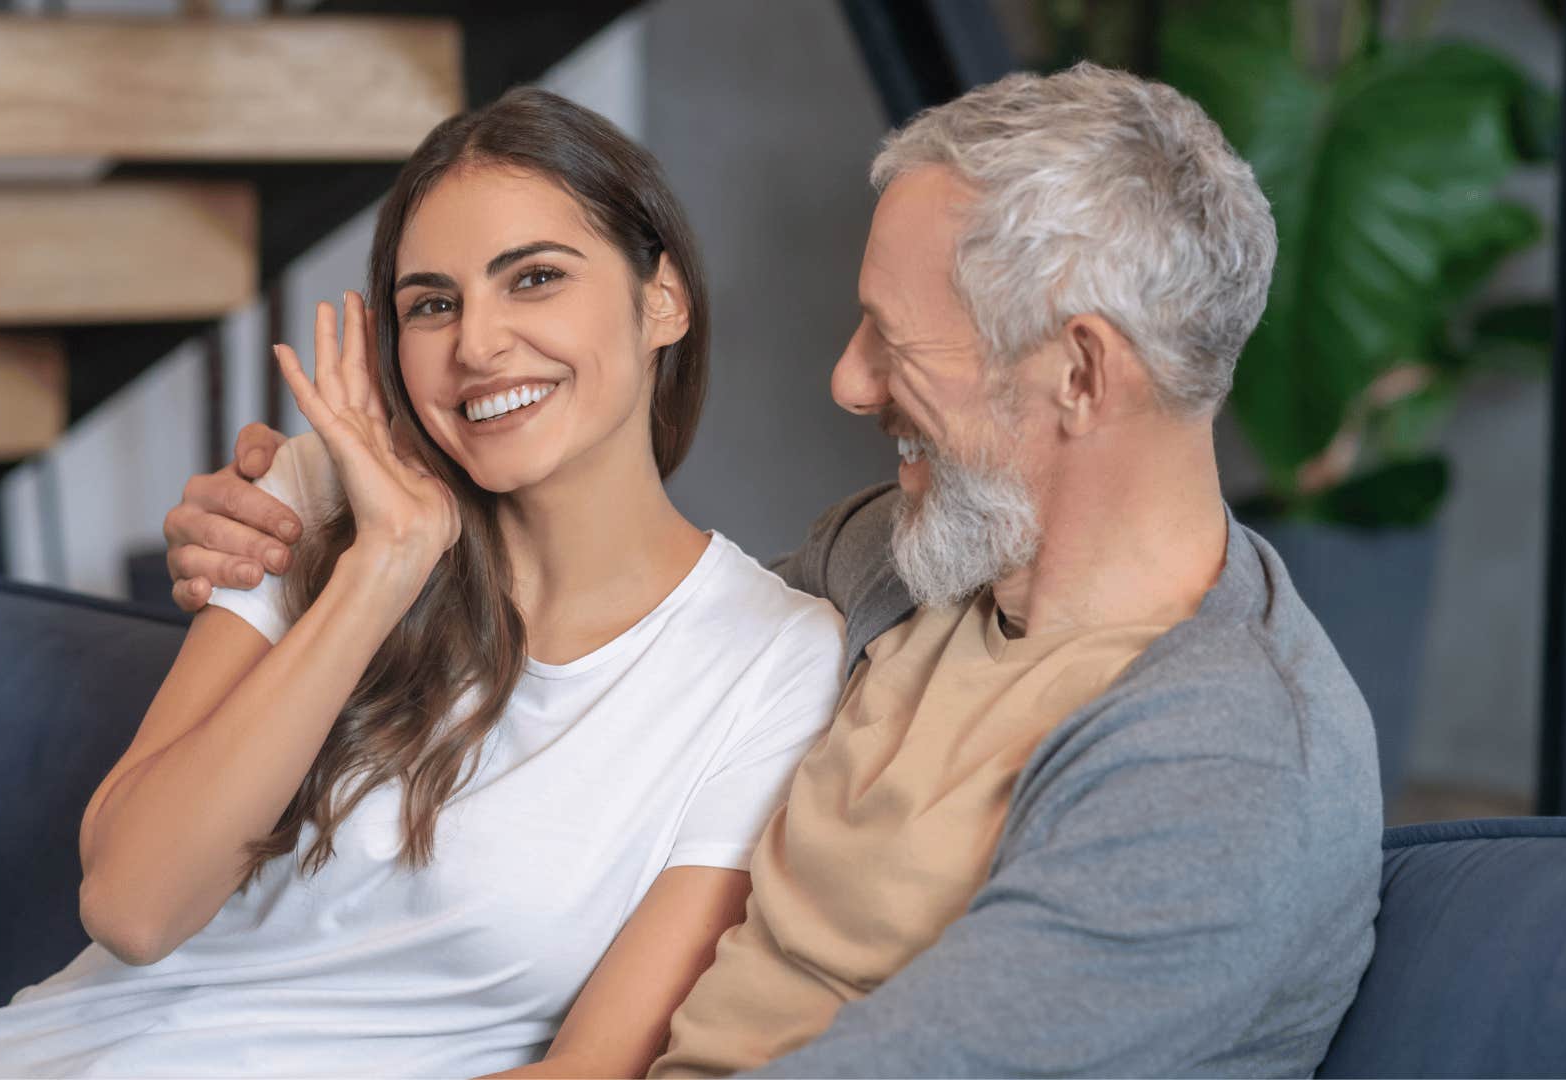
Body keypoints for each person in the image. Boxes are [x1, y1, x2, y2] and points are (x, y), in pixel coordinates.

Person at [168, 63, 1383, 1078]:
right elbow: (640, 643)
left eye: (893, 342)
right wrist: (306, 506)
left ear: (1078, 372)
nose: (849, 384)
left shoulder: (1220, 763)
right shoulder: (900, 568)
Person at [0, 89, 846, 1080]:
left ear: (662, 301)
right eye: (431, 303)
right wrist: (381, 571)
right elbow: (134, 905)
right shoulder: (323, 497)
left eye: (533, 278)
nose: (477, 343)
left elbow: (591, 1069)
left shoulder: (772, 658)